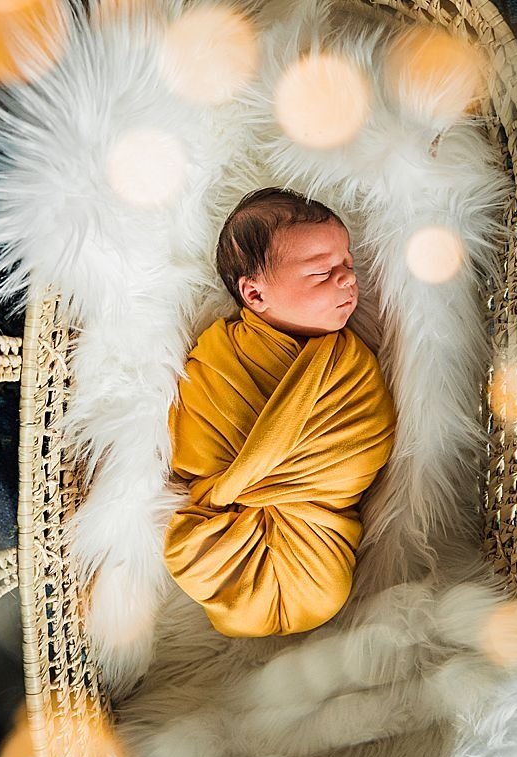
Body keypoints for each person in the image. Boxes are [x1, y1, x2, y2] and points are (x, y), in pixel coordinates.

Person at [164, 188, 396, 638]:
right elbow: (195, 441)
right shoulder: (218, 355)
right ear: (254, 293)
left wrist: (269, 483)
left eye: (348, 264)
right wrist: (236, 488)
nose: (347, 280)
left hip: (314, 531)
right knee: (191, 552)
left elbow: (365, 442)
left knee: (323, 592)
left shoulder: (351, 364)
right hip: (229, 525)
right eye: (322, 271)